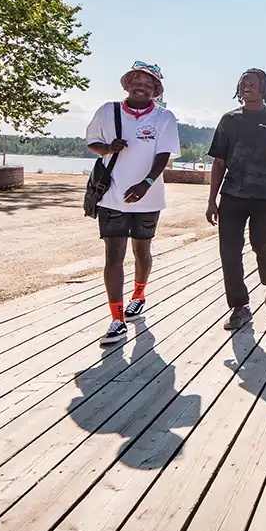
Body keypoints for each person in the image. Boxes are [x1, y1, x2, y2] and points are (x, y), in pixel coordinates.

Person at [86, 61, 181, 345]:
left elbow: (164, 155)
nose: (141, 86)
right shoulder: (108, 111)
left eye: (148, 83)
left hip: (149, 200)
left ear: (156, 91)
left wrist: (146, 184)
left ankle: (138, 295)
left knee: (142, 251)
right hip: (112, 197)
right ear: (127, 84)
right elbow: (92, 143)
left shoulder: (164, 117)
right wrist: (108, 148)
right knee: (113, 255)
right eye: (137, 81)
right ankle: (117, 319)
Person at [207, 69, 266, 330]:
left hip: (265, 197)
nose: (247, 87)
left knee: (262, 246)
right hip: (232, 195)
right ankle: (240, 306)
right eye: (243, 83)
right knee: (229, 252)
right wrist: (212, 200)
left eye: (253, 83)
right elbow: (219, 162)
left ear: (263, 88)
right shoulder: (229, 120)